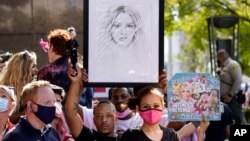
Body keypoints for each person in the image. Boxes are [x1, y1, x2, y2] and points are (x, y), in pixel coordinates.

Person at [91, 5, 155, 82]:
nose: (123, 32)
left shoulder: (146, 62)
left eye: (129, 26)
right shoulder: (99, 62)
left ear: (136, 29)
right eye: (117, 26)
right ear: (109, 28)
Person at [65, 63, 120, 141]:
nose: (104, 120)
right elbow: (71, 112)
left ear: (116, 118)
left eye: (108, 115)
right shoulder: (88, 136)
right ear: (94, 120)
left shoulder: (127, 138)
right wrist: (76, 82)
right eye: (98, 116)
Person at [0, 50, 38, 124]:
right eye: (33, 66)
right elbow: (5, 119)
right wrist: (27, 111)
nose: (36, 70)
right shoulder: (4, 91)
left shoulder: (29, 88)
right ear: (22, 70)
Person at [217, 49, 245, 125]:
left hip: (232, 99)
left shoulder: (232, 65)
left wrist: (230, 95)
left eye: (218, 57)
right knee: (230, 121)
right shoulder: (224, 66)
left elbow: (238, 80)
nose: (217, 59)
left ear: (221, 56)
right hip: (226, 99)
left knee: (237, 119)